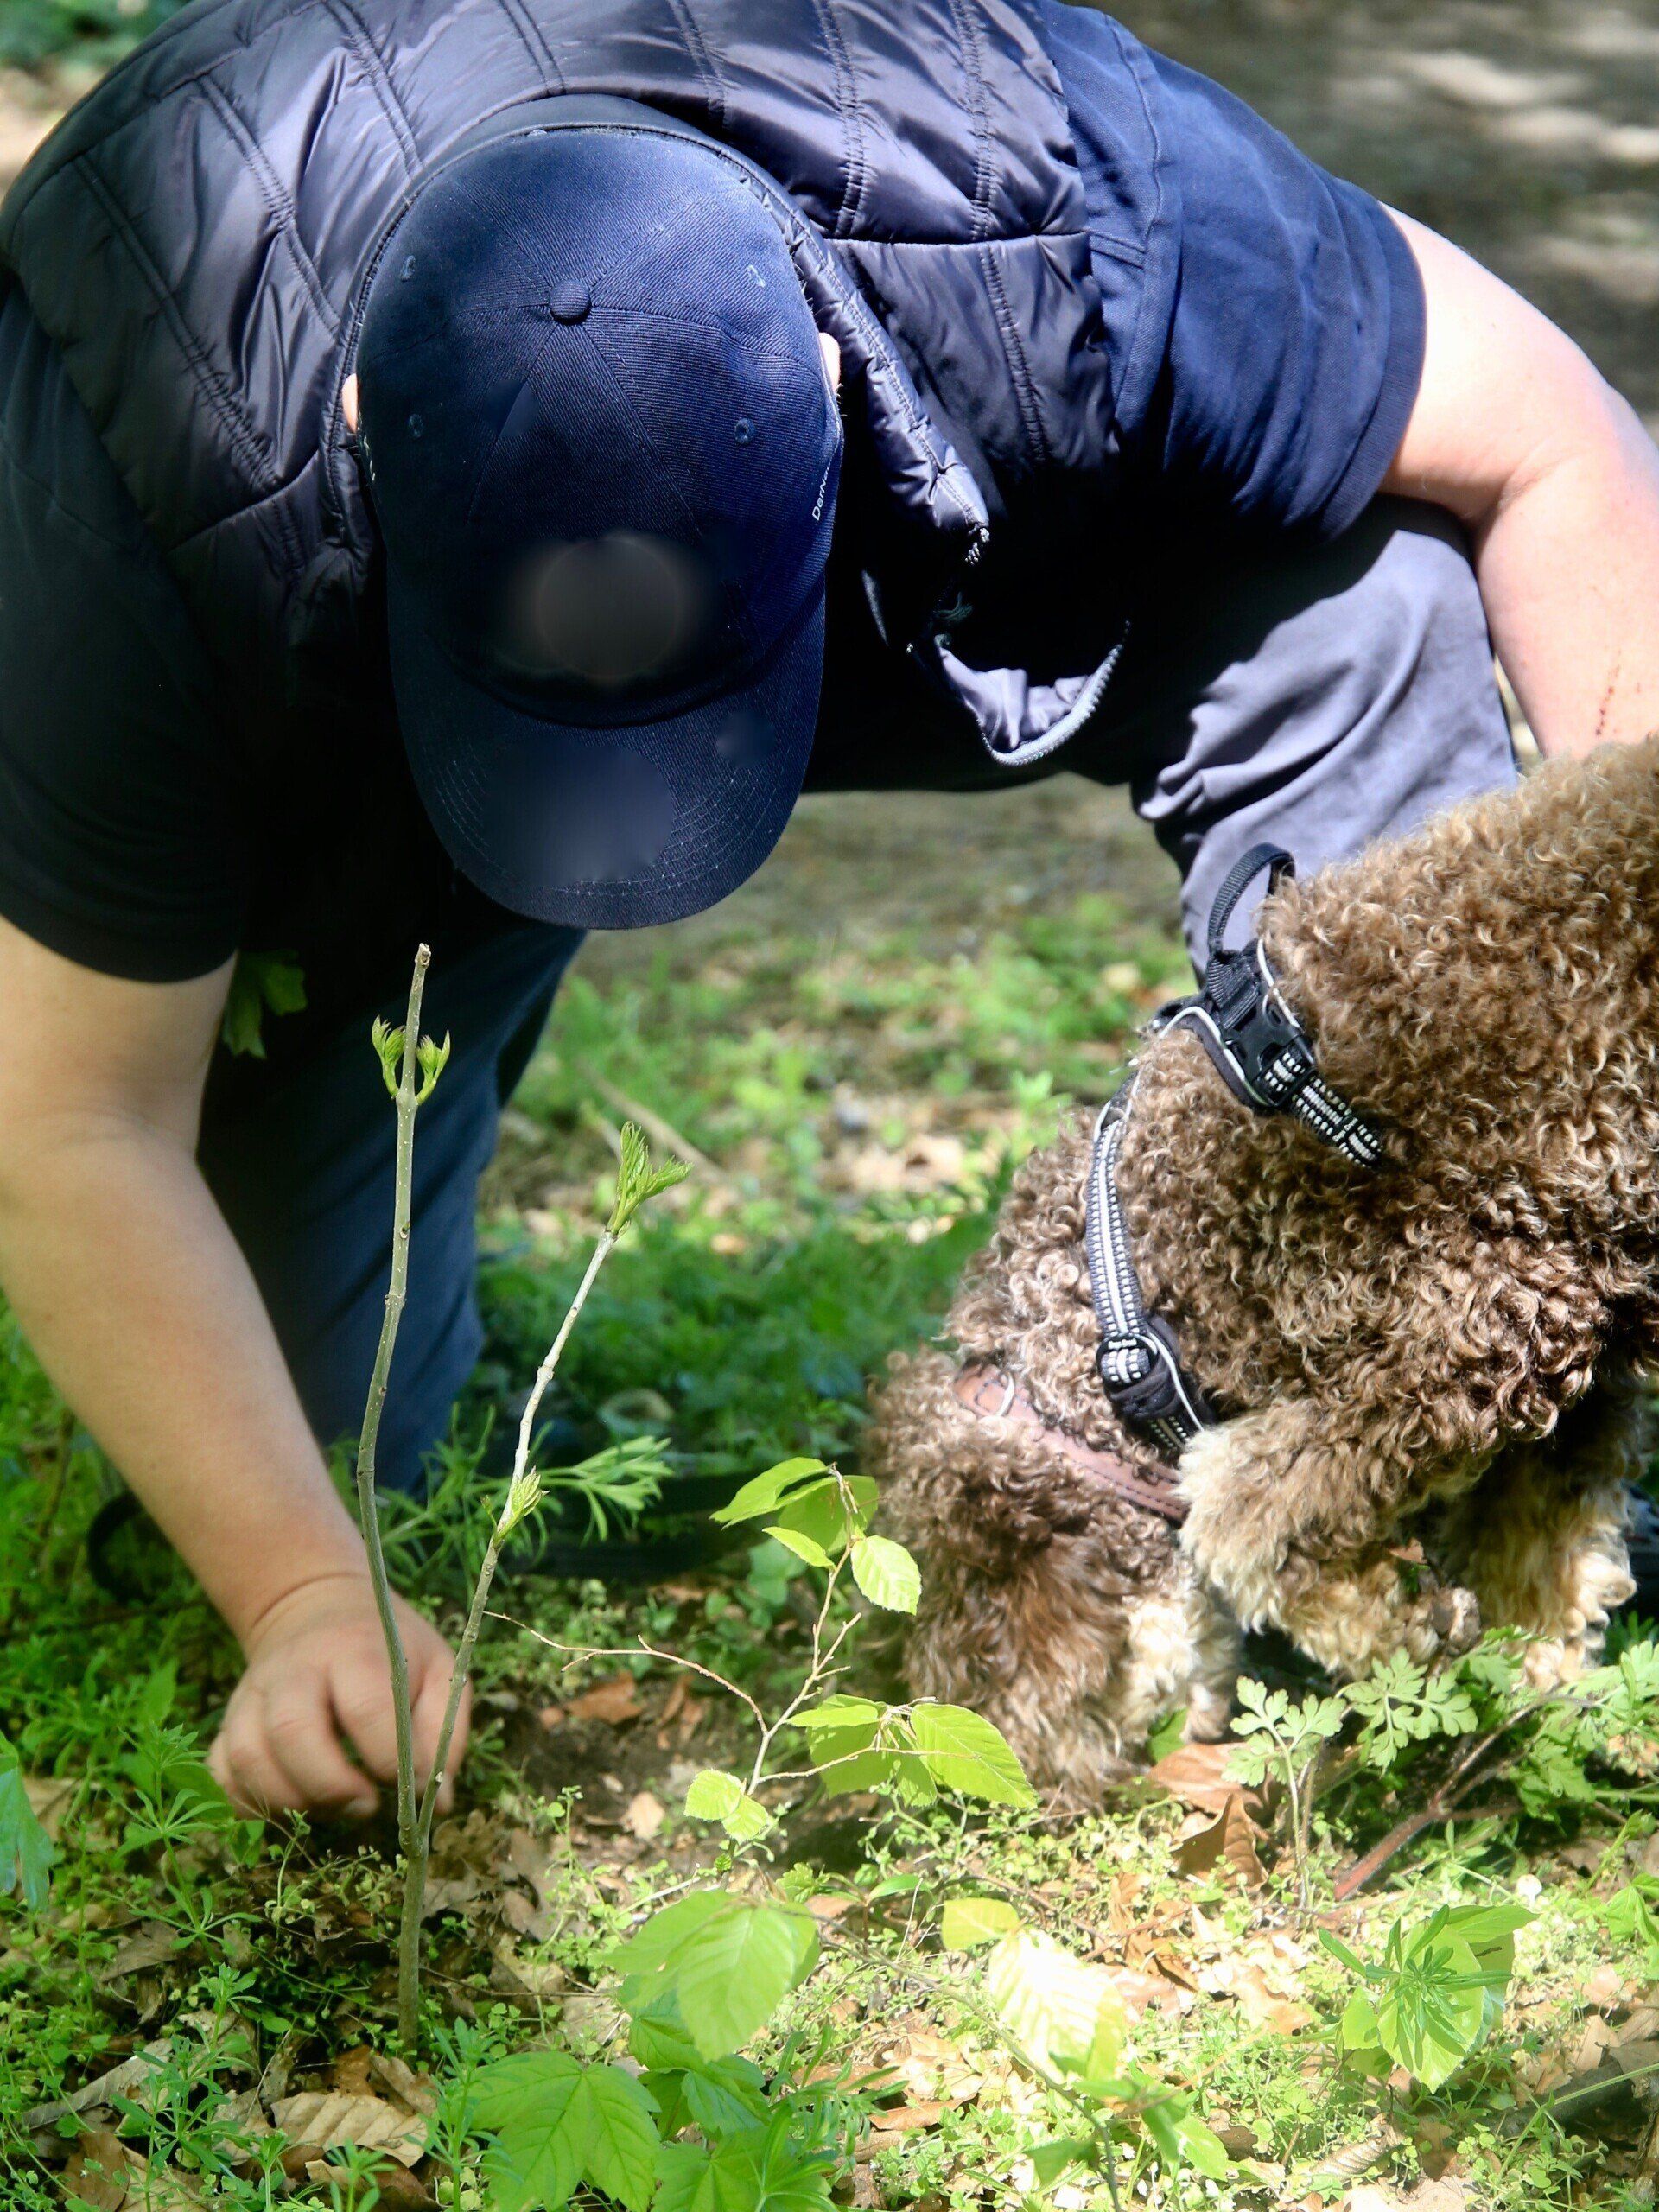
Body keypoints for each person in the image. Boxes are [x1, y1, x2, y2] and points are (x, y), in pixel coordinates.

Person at [0, 0, 1653, 1824]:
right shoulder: (137, 447)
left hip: (953, 529)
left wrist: (1617, 999)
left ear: (827, 381)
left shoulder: (1061, 206)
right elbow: (67, 1112)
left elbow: (1554, 437)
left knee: (1376, 573)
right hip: (348, 696)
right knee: (299, 1451)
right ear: (365, 426)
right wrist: (303, 1590)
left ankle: (1432, 1464)